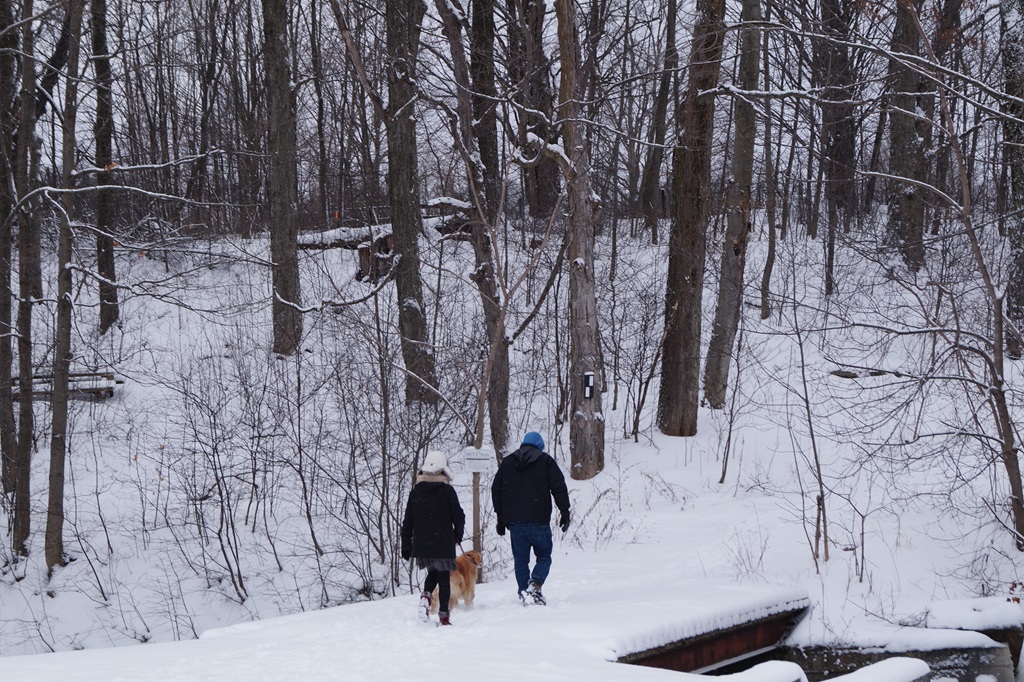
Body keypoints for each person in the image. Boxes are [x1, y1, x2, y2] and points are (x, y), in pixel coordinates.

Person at [491, 431, 570, 606]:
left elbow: (497, 490)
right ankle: (535, 584)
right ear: (540, 446)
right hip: (539, 520)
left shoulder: (509, 463)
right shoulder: (546, 461)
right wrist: (564, 511)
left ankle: (524, 592)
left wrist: (501, 518)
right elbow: (558, 487)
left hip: (516, 523)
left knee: (521, 560)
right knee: (544, 555)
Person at [401, 451, 466, 626]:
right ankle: (444, 617)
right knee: (444, 577)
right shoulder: (447, 491)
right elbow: (458, 516)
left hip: (423, 542)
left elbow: (408, 520)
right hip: (443, 541)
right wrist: (458, 534)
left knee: (433, 573)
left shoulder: (416, 492)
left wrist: (406, 543)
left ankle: (425, 599)